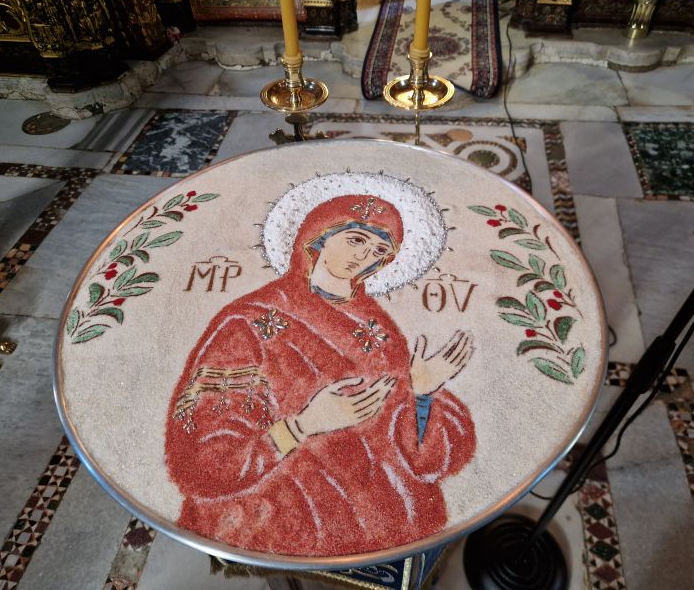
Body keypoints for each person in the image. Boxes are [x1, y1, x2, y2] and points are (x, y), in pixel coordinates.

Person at [165, 194, 476, 556]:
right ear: (319, 237)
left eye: (379, 250)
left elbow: (416, 450)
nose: (364, 256)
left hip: (383, 518)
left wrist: (421, 393)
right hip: (291, 517)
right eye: (355, 240)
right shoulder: (248, 321)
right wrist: (305, 425)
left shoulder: (378, 327)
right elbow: (205, 461)